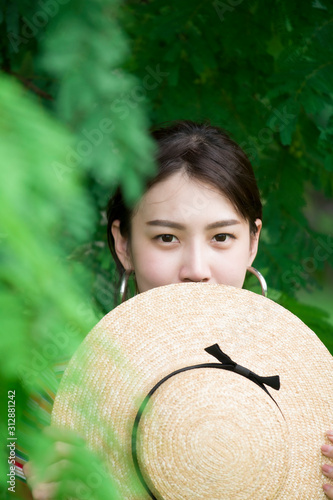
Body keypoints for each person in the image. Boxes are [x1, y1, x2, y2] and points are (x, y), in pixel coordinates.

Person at [23, 120, 333, 499]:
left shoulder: (319, 404)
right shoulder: (47, 395)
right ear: (123, 245)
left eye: (221, 237)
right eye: (166, 238)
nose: (197, 270)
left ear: (251, 243)